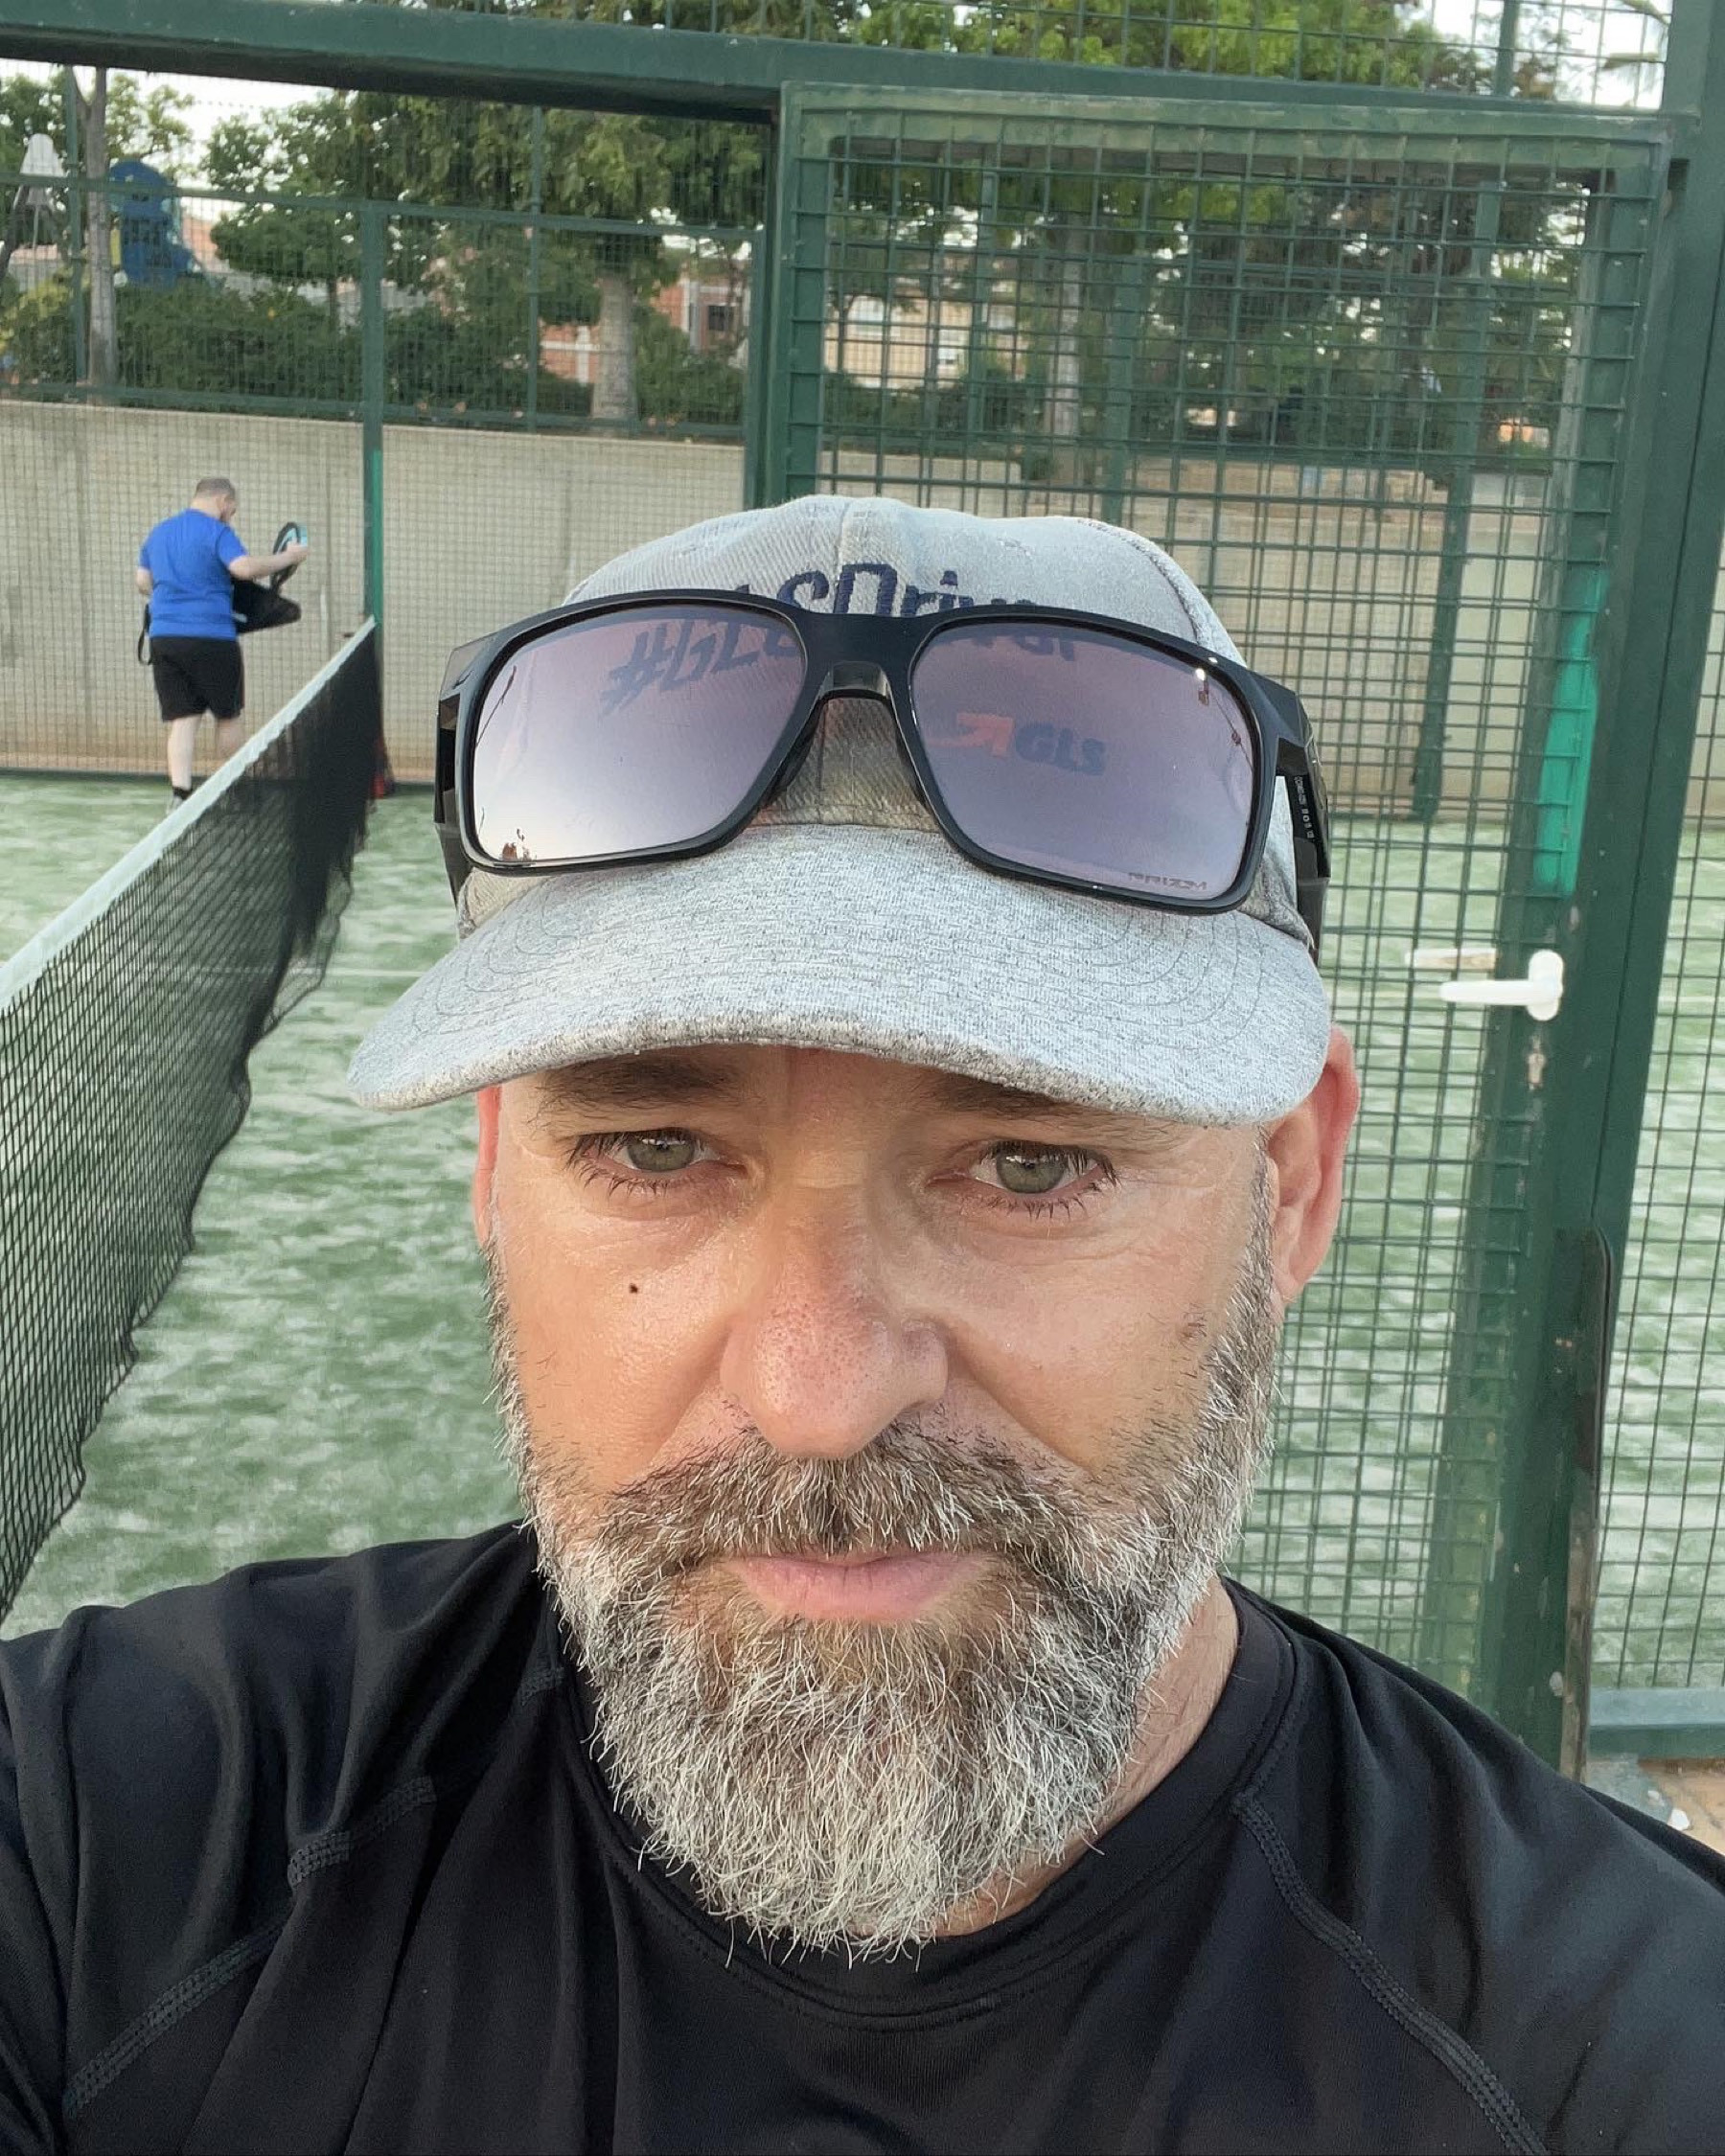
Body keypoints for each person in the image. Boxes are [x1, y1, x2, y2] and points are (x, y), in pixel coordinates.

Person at [5, 496, 1723, 2154]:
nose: (818, 1394)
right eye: (656, 1149)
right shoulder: (98, 1842)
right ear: (496, 1173)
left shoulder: (1630, 2047)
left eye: (1031, 1164)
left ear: (1290, 1186)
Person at [134, 476, 310, 805]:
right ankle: (240, 789)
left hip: (165, 638)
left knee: (183, 720)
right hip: (211, 638)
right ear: (223, 501)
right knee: (227, 716)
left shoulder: (159, 532)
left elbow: (143, 581)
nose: (231, 516)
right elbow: (244, 568)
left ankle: (180, 795)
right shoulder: (217, 532)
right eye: (233, 510)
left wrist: (175, 593)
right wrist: (289, 558)